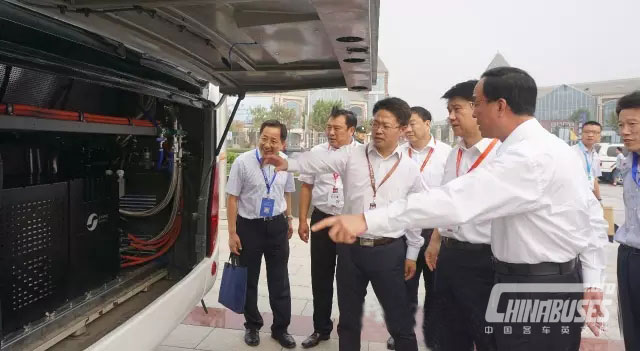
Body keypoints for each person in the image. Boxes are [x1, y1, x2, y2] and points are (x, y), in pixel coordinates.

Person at [311, 67, 609, 351]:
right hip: (536, 280)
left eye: (476, 103)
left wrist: (365, 219)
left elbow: (455, 201)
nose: (473, 111)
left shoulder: (526, 157)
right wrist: (594, 281)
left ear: (500, 106)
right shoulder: (551, 147)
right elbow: (592, 219)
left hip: (533, 287)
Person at [264, 97, 425, 351]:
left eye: (386, 125)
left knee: (400, 321)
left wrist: (413, 253)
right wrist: (287, 163)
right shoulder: (352, 154)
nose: (378, 130)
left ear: (403, 129)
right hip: (351, 250)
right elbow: (317, 163)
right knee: (348, 322)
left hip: (388, 250)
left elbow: (416, 213)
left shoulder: (410, 169)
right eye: (375, 124)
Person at [422, 79, 498, 351]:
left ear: (477, 107)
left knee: (487, 336)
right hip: (451, 257)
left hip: (485, 261)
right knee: (450, 335)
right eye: (449, 111)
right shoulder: (454, 154)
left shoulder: (500, 154)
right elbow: (446, 201)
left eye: (457, 110)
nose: (451, 117)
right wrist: (435, 239)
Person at [226, 120, 297, 349]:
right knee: (249, 279)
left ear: (282, 143)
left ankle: (280, 329)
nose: (267, 144)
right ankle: (253, 326)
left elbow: (287, 193)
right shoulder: (243, 162)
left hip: (276, 226)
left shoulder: (286, 164)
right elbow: (232, 198)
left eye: (274, 140)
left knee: (280, 279)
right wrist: (232, 233)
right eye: (264, 138)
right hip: (249, 227)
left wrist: (288, 219)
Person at [387, 105, 451, 350]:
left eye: (412, 123)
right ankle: (402, 333)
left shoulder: (446, 153)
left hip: (436, 231)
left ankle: (434, 335)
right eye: (405, 125)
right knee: (403, 287)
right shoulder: (398, 154)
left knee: (435, 288)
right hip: (404, 230)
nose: (408, 129)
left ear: (427, 123)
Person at [298, 107, 358, 348]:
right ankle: (320, 329)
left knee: (349, 280)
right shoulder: (316, 152)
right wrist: (302, 219)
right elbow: (306, 187)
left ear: (351, 130)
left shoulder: (362, 154)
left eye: (337, 128)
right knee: (320, 277)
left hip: (348, 223)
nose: (331, 132)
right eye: (329, 127)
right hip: (321, 220)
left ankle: (347, 331)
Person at [614, 90, 640, 351]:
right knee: (631, 330)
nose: (625, 131)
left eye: (633, 124)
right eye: (621, 125)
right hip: (628, 257)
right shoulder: (628, 162)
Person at [571, 121, 603, 200]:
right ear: (581, 134)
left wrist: (599, 199)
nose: (590, 135)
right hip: (574, 198)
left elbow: (594, 179)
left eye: (595, 132)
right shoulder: (571, 152)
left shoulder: (595, 155)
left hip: (589, 198)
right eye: (587, 132)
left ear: (600, 136)